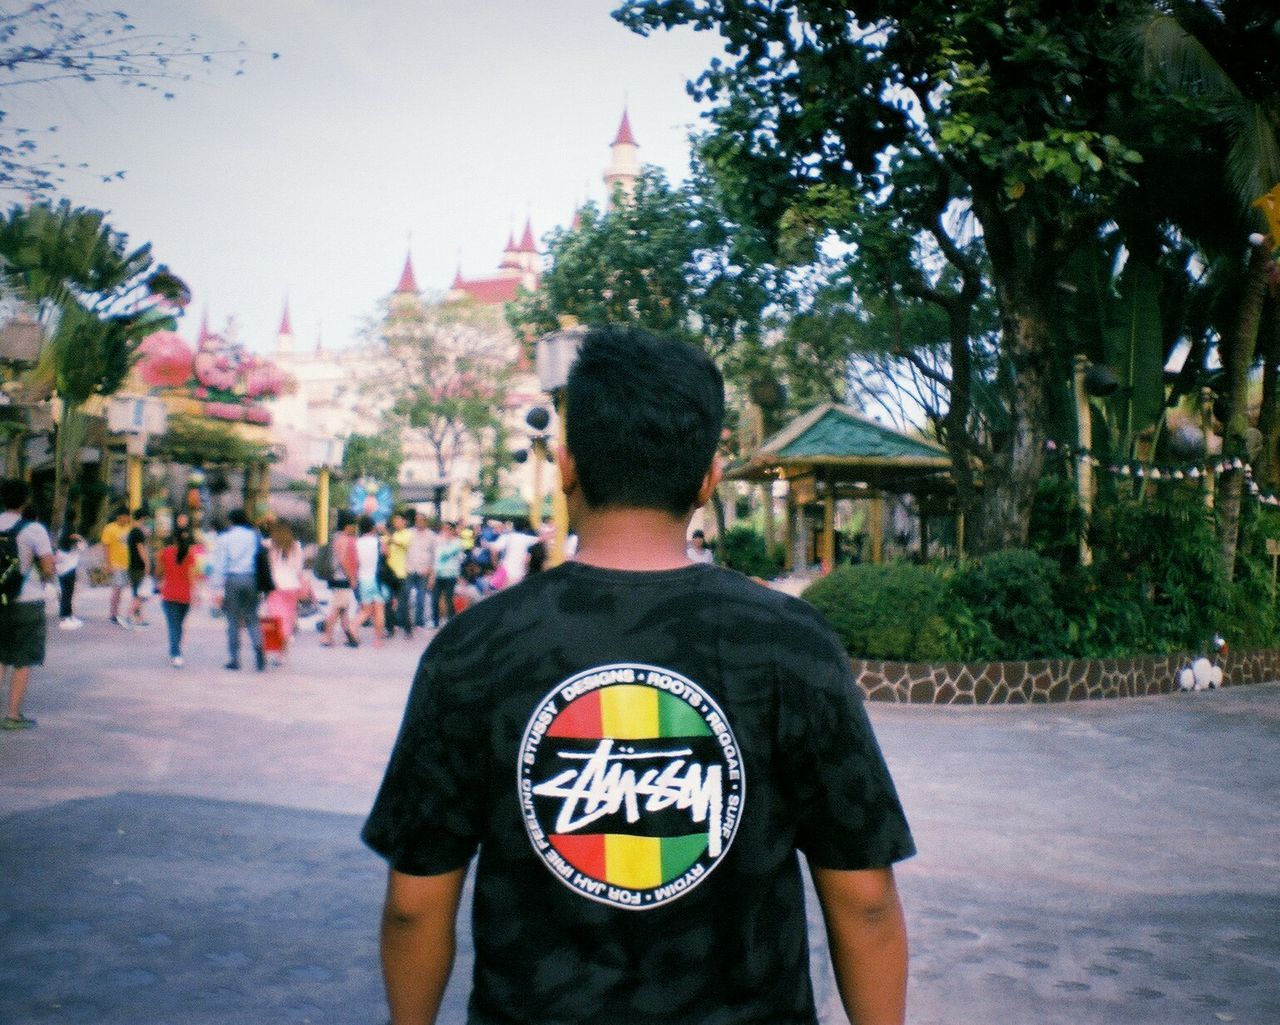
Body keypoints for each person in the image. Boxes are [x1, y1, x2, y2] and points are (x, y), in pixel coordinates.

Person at [362, 328, 915, 1025]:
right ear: (708, 478)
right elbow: (864, 898)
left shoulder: (474, 647)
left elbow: (414, 903)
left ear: (567, 466)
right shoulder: (791, 644)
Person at [0, 478, 55, 730]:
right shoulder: (34, 530)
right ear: (26, 501)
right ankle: (12, 715)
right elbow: (49, 568)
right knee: (22, 661)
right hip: (27, 602)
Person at [210, 508, 266, 671]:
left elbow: (220, 563)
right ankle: (258, 647)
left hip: (233, 579)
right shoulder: (254, 536)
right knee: (251, 617)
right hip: (251, 578)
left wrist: (217, 587)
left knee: (233, 620)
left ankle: (235, 658)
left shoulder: (225, 538)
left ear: (231, 521)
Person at [157, 524, 198, 667]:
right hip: (184, 595)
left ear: (173, 538)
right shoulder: (190, 553)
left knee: (173, 625)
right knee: (179, 625)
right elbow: (191, 575)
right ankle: (176, 650)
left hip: (169, 594)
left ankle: (176, 653)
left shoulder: (165, 552)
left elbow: (159, 572)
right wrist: (196, 594)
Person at [321, 511, 360, 649]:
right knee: (337, 608)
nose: (354, 528)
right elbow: (343, 560)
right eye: (353, 525)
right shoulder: (343, 539)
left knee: (343, 607)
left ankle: (349, 635)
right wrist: (351, 577)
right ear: (347, 525)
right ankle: (326, 636)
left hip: (335, 577)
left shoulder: (335, 537)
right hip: (342, 577)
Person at [264, 521, 305, 653]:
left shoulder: (270, 544)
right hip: (292, 585)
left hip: (275, 585)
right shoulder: (296, 546)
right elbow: (299, 568)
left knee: (274, 617)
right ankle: (286, 640)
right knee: (288, 615)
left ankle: (279, 646)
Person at [354, 515, 386, 648]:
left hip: (363, 578)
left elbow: (355, 561)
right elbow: (386, 553)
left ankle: (353, 627)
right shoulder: (378, 541)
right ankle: (377, 640)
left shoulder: (357, 542)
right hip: (377, 579)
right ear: (373, 527)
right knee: (379, 609)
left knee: (366, 610)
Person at [383, 511, 414, 639]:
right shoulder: (392, 534)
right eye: (394, 520)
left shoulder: (407, 534)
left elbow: (403, 544)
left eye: (398, 520)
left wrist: (388, 538)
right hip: (389, 573)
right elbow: (385, 550)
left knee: (403, 603)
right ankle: (390, 628)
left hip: (401, 573)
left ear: (404, 521)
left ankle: (408, 629)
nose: (396, 523)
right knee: (387, 602)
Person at [100, 506, 132, 627]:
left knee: (123, 589)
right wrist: (108, 563)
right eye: (124, 517)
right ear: (119, 517)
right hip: (116, 564)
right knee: (117, 589)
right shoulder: (110, 528)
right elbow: (106, 546)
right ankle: (113, 614)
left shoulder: (130, 528)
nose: (125, 519)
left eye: (127, 517)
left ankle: (125, 613)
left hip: (128, 563)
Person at [405, 512, 437, 630]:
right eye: (417, 520)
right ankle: (405, 621)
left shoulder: (432, 536)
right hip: (409, 569)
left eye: (421, 520)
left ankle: (419, 621)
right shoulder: (409, 533)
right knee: (406, 596)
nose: (419, 522)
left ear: (425, 521)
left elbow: (434, 556)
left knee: (421, 597)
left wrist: (431, 573)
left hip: (424, 570)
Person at [430, 521, 462, 629]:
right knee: (434, 599)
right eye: (444, 529)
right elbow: (435, 559)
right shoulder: (439, 542)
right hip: (438, 575)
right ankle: (435, 622)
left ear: (453, 530)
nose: (446, 531)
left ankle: (451, 623)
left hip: (451, 575)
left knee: (448, 599)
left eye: (448, 529)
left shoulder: (457, 542)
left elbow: (445, 554)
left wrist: (443, 541)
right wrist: (432, 575)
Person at [54, 524, 86, 630]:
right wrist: (79, 538)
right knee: (69, 593)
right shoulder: (74, 544)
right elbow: (83, 547)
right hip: (70, 569)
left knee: (65, 593)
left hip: (62, 571)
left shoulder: (60, 546)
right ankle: (66, 617)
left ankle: (67, 615)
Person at [125, 508, 152, 627]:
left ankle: (138, 618)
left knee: (137, 593)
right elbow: (141, 549)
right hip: (138, 566)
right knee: (140, 594)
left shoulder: (132, 531)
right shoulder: (138, 532)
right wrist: (147, 563)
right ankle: (129, 616)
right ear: (143, 517)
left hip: (132, 565)